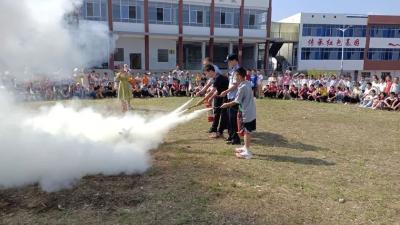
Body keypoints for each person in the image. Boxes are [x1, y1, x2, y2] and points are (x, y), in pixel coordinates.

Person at [221, 67, 256, 160]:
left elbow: (236, 101)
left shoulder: (242, 87)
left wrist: (226, 104)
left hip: (247, 113)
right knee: (246, 131)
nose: (234, 77)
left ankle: (247, 152)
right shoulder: (247, 83)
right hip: (250, 111)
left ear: (240, 76)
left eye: (236, 75)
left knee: (247, 132)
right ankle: (245, 147)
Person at [194, 64, 229, 138]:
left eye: (206, 73)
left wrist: (203, 100)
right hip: (219, 95)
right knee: (216, 112)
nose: (206, 75)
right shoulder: (214, 78)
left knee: (223, 114)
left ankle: (220, 131)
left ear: (210, 71)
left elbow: (212, 91)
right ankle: (214, 129)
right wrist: (200, 93)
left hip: (225, 97)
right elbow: (212, 89)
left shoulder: (218, 78)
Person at [220, 54, 241, 145]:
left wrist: (225, 91)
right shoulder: (232, 70)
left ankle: (236, 139)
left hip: (235, 97)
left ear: (234, 60)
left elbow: (236, 84)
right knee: (229, 118)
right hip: (230, 96)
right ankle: (231, 135)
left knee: (233, 118)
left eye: (229, 61)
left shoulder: (237, 70)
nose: (228, 63)